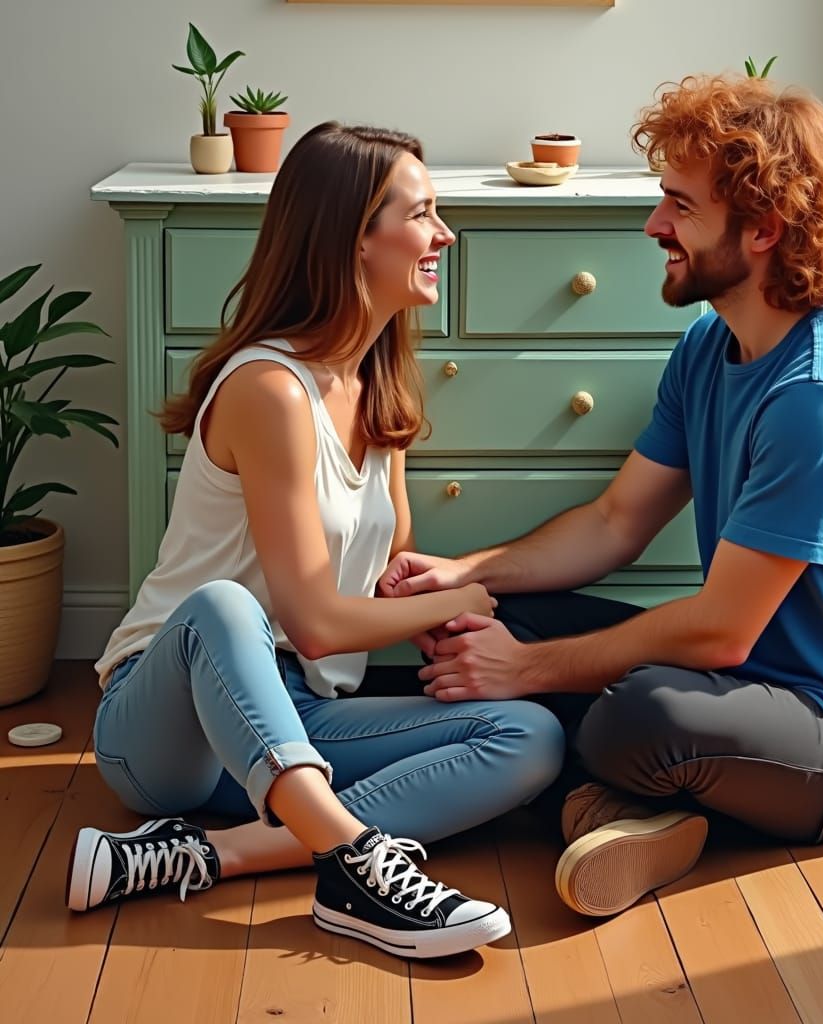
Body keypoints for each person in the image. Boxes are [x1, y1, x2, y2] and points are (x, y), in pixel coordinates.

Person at [379, 74, 823, 918]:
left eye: (679, 207)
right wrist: (466, 573)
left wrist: (529, 671)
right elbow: (614, 524)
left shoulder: (822, 397)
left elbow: (720, 629)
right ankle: (605, 813)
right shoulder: (712, 347)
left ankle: (597, 796)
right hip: (748, 686)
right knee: (484, 621)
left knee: (631, 716)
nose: (654, 227)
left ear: (763, 230)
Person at [67, 122, 565, 959]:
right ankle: (357, 864)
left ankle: (200, 856)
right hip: (167, 731)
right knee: (222, 607)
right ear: (353, 239)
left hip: (294, 723)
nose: (445, 234)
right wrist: (458, 600)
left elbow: (356, 588)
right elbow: (315, 624)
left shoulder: (375, 384)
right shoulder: (270, 389)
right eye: (424, 214)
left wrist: (411, 589)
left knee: (528, 736)